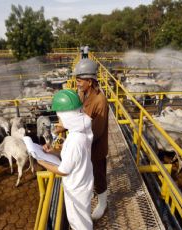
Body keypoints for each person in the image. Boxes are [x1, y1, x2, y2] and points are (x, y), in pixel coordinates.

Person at [38, 89, 94, 230]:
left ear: (67, 116)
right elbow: (74, 155)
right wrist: (55, 151)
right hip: (83, 181)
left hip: (76, 188)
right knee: (83, 218)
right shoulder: (81, 131)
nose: (58, 121)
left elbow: (63, 170)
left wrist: (41, 160)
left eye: (59, 117)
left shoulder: (75, 139)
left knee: (79, 223)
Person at [74, 58, 109, 220]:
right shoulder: (84, 94)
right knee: (89, 174)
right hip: (84, 144)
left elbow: (98, 130)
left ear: (89, 81)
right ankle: (94, 193)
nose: (77, 84)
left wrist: (79, 141)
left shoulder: (100, 100)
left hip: (95, 147)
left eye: (79, 80)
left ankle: (103, 204)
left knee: (98, 174)